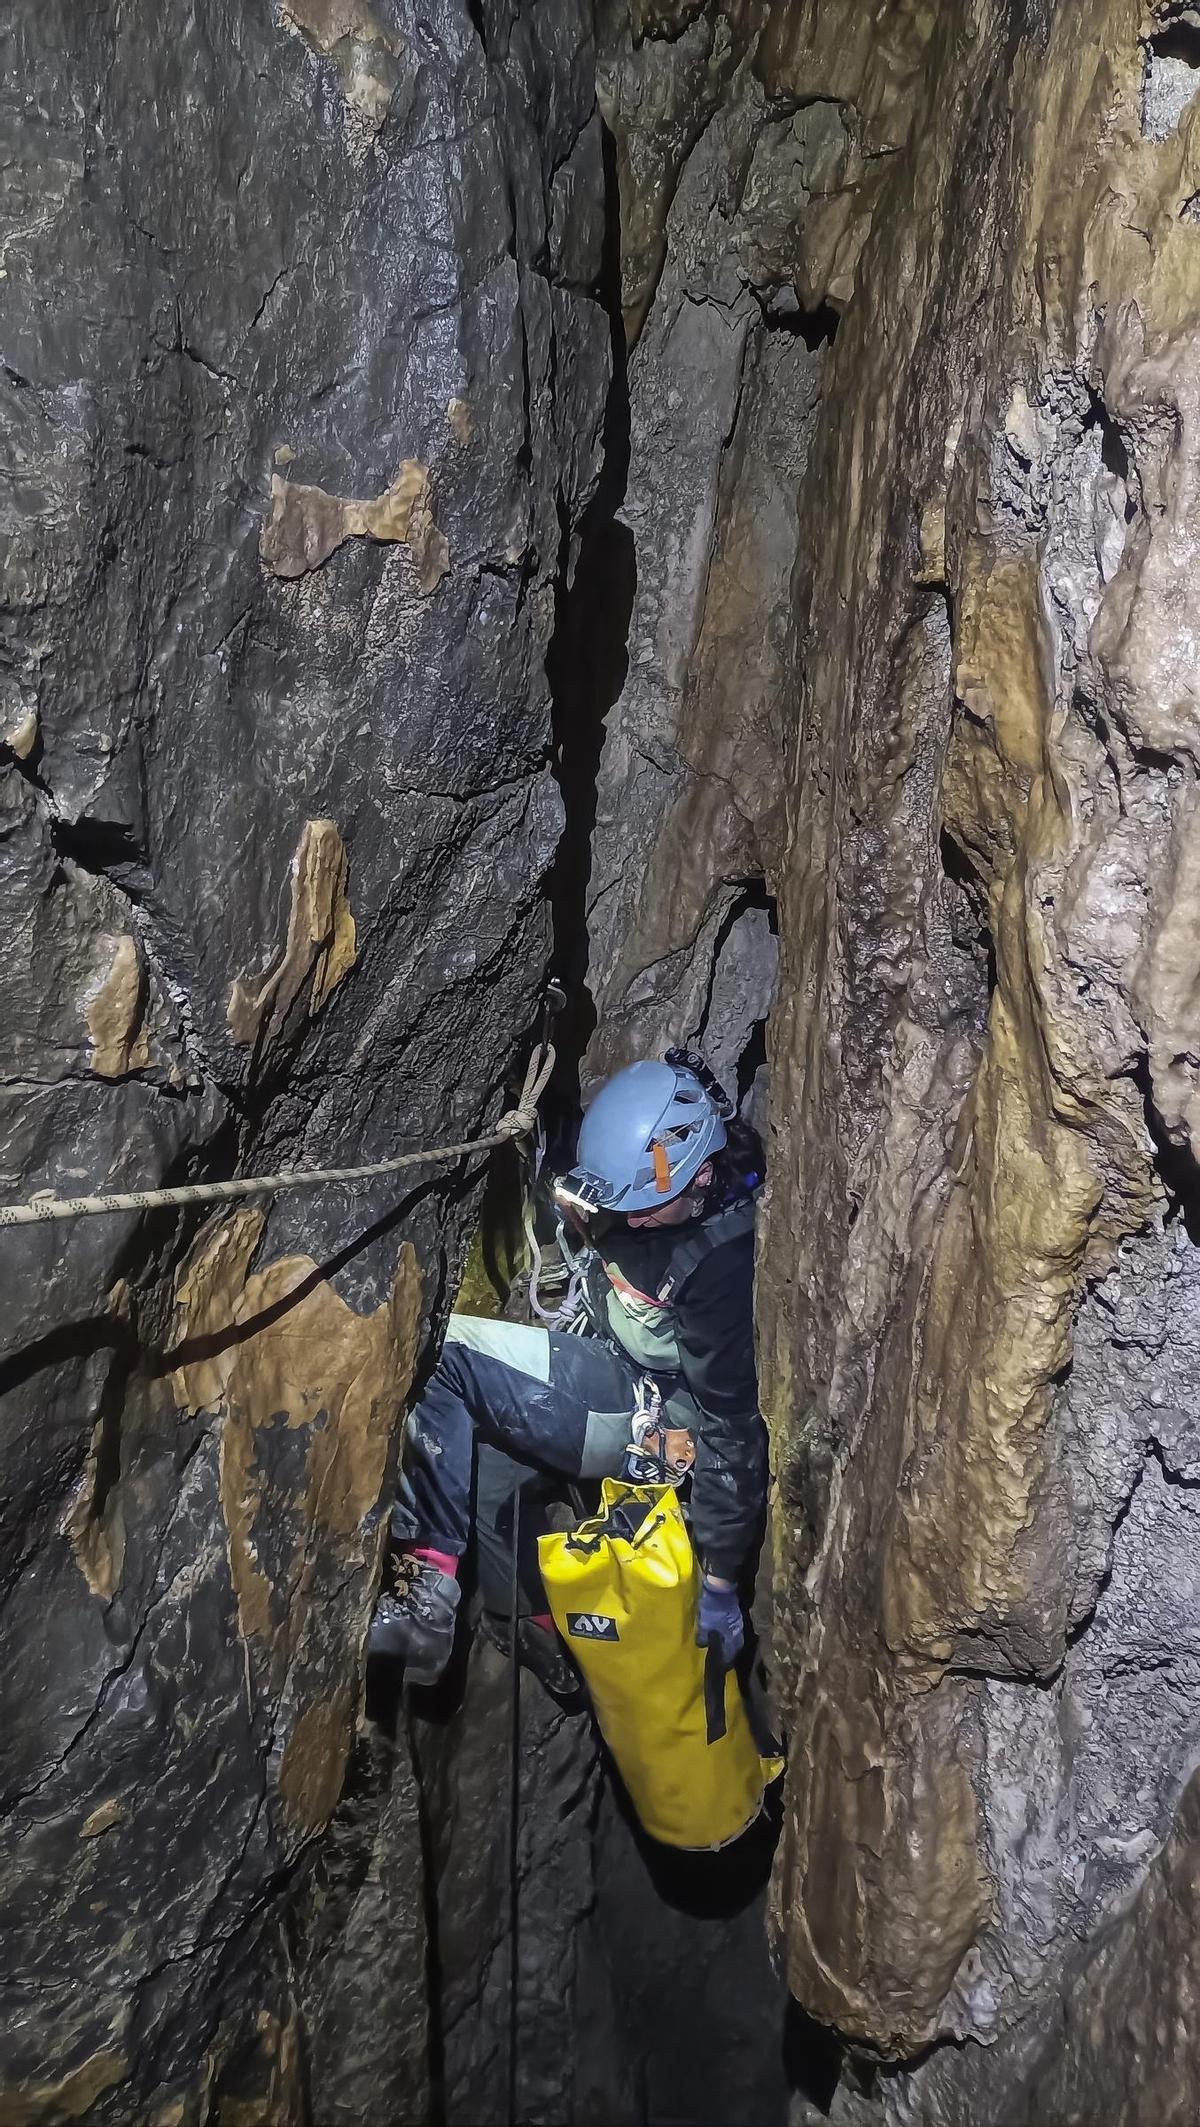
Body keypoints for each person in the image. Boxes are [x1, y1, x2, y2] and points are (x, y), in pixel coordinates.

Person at [369, 1051, 768, 1694]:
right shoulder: (644, 1190)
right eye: (625, 1203)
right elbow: (601, 1203)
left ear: (698, 1176)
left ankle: (425, 1599)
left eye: (647, 1205)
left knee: (441, 1356)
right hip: (611, 1365)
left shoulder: (719, 1264)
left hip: (653, 1421)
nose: (632, 1217)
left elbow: (733, 1430)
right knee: (491, 1472)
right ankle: (535, 1631)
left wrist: (720, 1579)